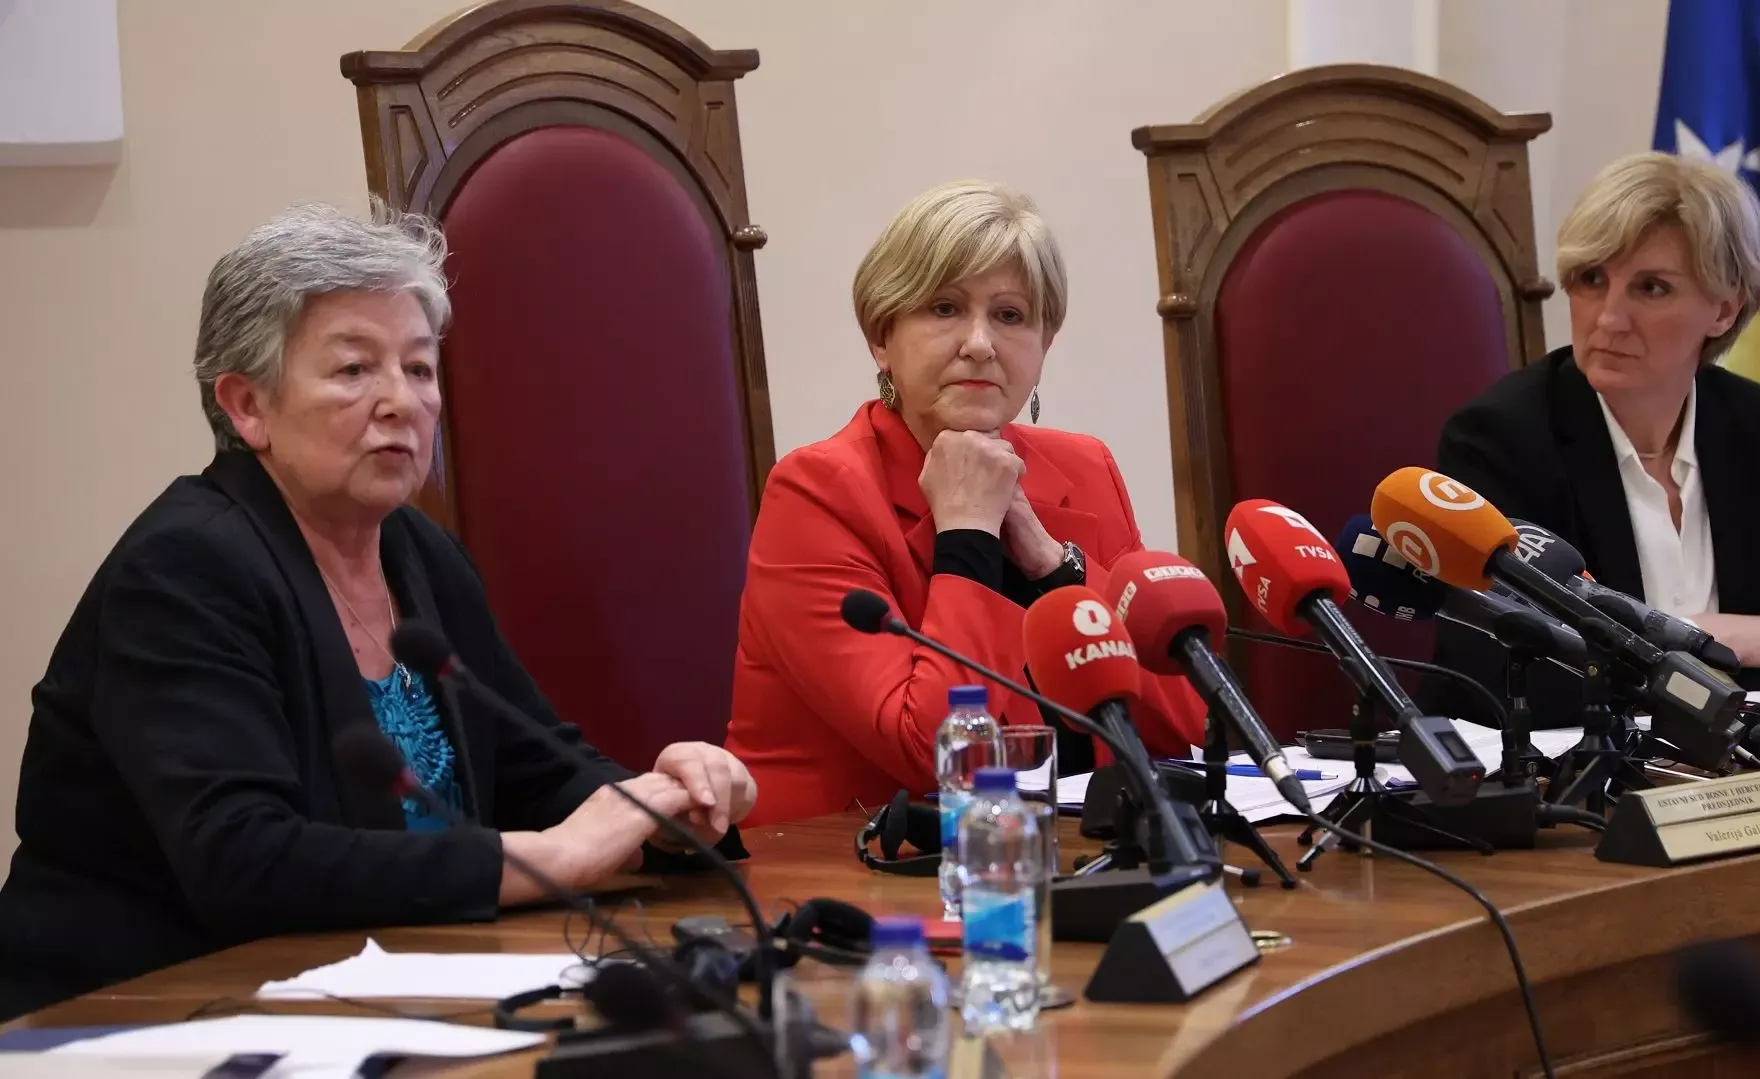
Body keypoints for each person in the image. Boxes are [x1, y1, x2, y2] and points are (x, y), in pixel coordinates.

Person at [0, 204, 757, 1020]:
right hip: (139, 1011)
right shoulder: (184, 568)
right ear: (247, 405)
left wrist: (661, 807)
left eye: (420, 368)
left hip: (377, 994)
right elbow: (244, 859)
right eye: (355, 369)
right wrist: (547, 858)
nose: (402, 400)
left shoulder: (418, 551)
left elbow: (534, 768)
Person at [726, 180, 1207, 825]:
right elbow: (932, 755)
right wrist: (968, 537)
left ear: (1044, 345)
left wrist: (1051, 566)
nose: (980, 343)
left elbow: (1182, 726)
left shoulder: (1084, 468)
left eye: (1010, 316)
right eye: (945, 308)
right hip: (853, 859)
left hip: (1063, 847)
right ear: (882, 338)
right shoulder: (817, 492)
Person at [1434, 151, 1760, 715]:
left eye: (1652, 288)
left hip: (1751, 761)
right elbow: (1508, 666)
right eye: (1592, 280)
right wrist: (1727, 636)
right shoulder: (1501, 439)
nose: (1609, 319)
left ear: (1724, 310)